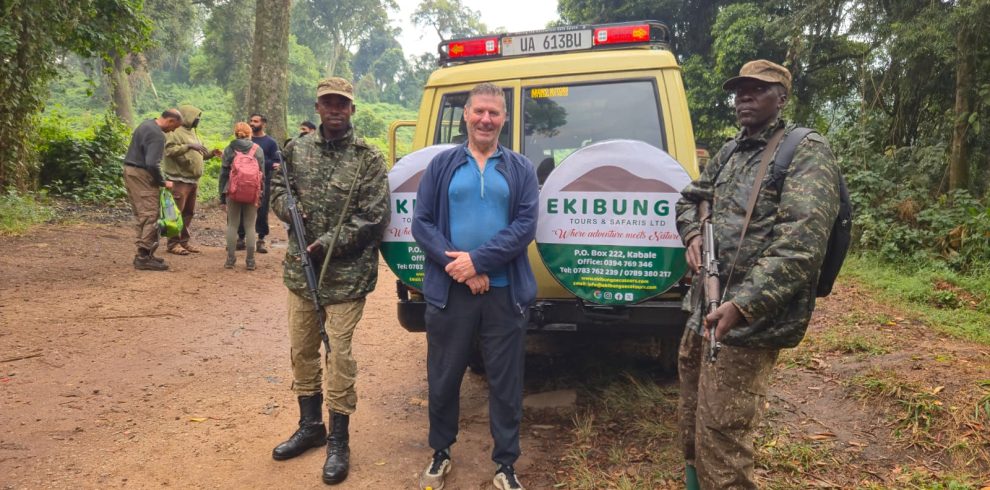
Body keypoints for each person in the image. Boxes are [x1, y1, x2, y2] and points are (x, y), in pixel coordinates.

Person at [675, 60, 841, 489]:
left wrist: (742, 304)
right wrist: (692, 234)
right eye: (739, 90)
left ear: (782, 98)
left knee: (723, 438)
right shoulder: (731, 151)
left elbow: (801, 245)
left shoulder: (803, 151)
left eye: (758, 89)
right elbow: (689, 199)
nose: (744, 97)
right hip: (702, 312)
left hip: (747, 324)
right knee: (691, 422)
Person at [412, 82, 539, 490]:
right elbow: (422, 223)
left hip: (504, 293)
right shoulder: (442, 165)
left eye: (494, 112)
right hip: (451, 292)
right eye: (479, 111)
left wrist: (478, 261)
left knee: (506, 382)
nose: (486, 119)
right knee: (444, 377)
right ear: (466, 114)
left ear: (504, 118)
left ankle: (505, 464)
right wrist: (462, 268)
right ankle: (441, 452)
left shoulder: (520, 168)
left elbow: (525, 226)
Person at [269, 77, 390, 485]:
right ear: (318, 107)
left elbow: (374, 217)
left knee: (339, 356)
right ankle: (310, 426)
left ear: (352, 109)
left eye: (342, 103)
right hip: (300, 274)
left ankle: (339, 439)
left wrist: (326, 243)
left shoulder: (368, 158)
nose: (335, 109)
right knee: (303, 350)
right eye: (328, 103)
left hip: (346, 277)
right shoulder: (296, 149)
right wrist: (288, 210)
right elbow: (278, 189)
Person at [122, 109, 183, 271]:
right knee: (151, 214)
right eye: (174, 127)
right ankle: (143, 257)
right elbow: (152, 163)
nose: (173, 131)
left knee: (142, 214)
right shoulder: (157, 135)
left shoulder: (145, 124)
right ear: (170, 121)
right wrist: (162, 182)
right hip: (142, 174)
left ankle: (147, 253)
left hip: (131, 171)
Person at [162, 105, 219, 255]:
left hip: (192, 180)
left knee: (188, 213)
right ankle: (172, 244)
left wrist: (211, 153)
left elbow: (199, 154)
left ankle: (183, 241)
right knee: (174, 213)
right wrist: (188, 146)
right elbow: (169, 151)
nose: (197, 120)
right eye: (196, 117)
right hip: (178, 180)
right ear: (187, 116)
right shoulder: (174, 132)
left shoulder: (193, 132)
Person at [218, 122, 265, 270]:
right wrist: (261, 194)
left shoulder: (229, 148)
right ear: (250, 134)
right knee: (250, 226)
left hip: (232, 190)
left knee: (232, 224)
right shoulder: (258, 149)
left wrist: (222, 196)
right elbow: (262, 175)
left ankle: (230, 260)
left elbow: (223, 174)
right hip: (252, 191)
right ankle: (250, 261)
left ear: (235, 133)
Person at [236, 113, 283, 253]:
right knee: (242, 209)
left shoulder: (271, 142)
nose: (252, 123)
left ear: (263, 124)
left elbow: (276, 162)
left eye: (256, 121)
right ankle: (240, 238)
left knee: (262, 210)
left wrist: (259, 161)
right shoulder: (243, 141)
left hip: (263, 181)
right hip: (243, 181)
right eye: (251, 121)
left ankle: (261, 239)